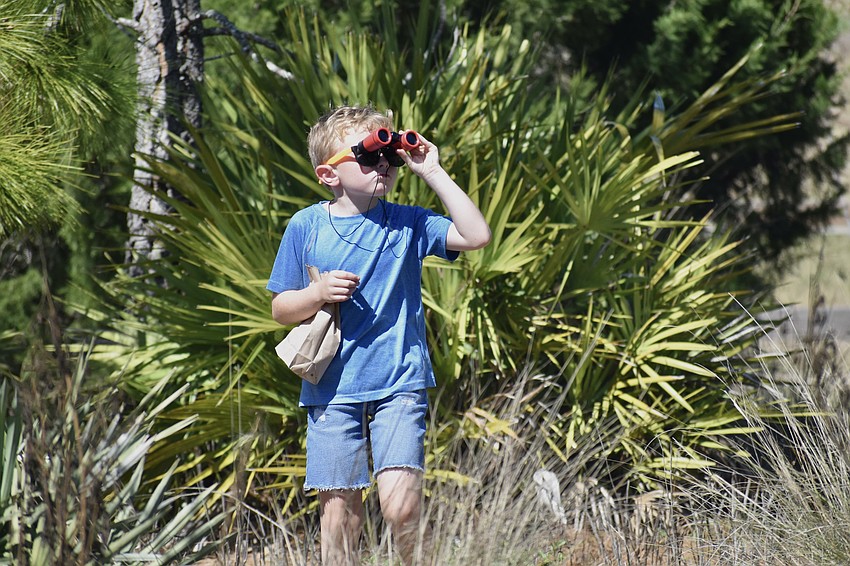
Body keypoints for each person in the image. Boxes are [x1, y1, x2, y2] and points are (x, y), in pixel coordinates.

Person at [266, 105, 491, 565]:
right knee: (339, 518)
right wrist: (317, 293)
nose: (383, 164)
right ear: (329, 174)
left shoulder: (407, 222)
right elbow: (279, 308)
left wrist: (432, 170)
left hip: (399, 381)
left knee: (401, 506)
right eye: (368, 157)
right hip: (331, 389)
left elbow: (476, 235)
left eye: (388, 154)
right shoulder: (305, 226)